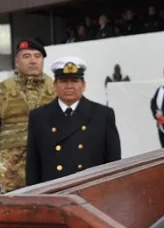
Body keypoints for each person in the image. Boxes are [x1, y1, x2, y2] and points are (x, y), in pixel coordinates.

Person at [25, 56, 122, 186]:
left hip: (91, 191)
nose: (69, 86)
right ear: (54, 85)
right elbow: (33, 166)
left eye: (75, 81)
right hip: (53, 193)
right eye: (63, 81)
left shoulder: (103, 115)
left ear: (83, 85)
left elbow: (113, 164)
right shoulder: (39, 117)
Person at [0, 39, 55, 192]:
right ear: (17, 61)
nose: (33, 61)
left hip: (50, 172)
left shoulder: (56, 89)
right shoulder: (0, 91)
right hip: (12, 177)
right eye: (26, 56)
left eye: (37, 56)